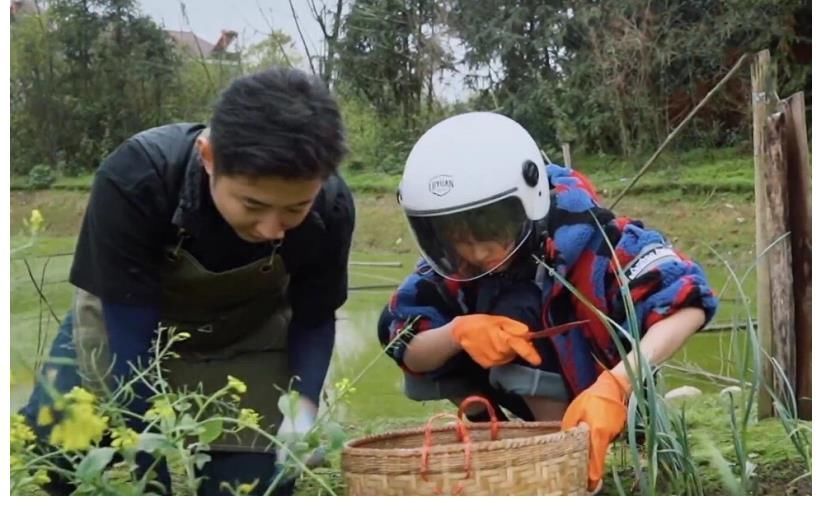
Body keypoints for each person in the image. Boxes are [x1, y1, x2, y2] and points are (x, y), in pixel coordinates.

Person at [20, 66, 355, 495]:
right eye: (253, 204)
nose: (273, 229)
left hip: (245, 340)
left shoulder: (332, 208)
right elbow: (131, 343)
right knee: (54, 463)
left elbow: (312, 319)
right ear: (209, 156)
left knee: (254, 491)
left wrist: (302, 409)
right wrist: (150, 475)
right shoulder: (137, 178)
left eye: (295, 209)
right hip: (127, 332)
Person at [377, 112, 718, 491]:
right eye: (459, 238)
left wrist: (618, 384)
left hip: (601, 380)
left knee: (522, 306)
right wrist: (457, 333)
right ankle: (501, 439)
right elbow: (400, 338)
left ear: (528, 201)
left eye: (491, 231)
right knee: (455, 332)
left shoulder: (596, 240)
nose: (479, 252)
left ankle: (573, 453)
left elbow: (687, 297)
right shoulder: (453, 270)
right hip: (508, 396)